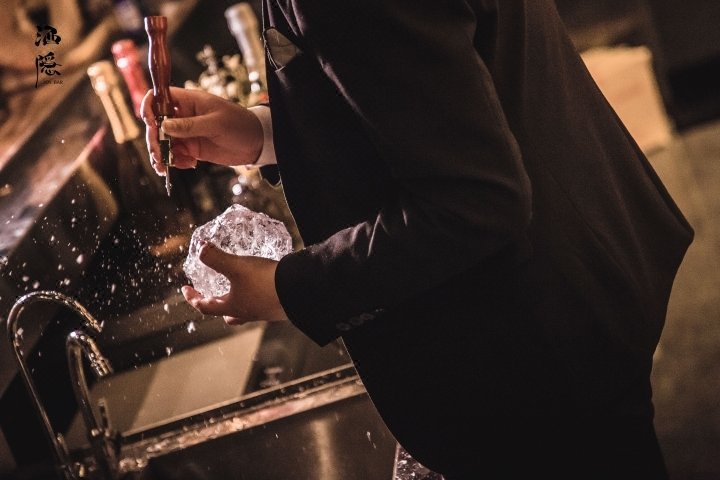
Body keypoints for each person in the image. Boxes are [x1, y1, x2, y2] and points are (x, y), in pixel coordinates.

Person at [142, 1, 694, 478]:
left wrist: (292, 288)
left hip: (533, 353)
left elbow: (475, 201)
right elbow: (436, 100)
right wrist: (264, 133)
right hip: (569, 275)